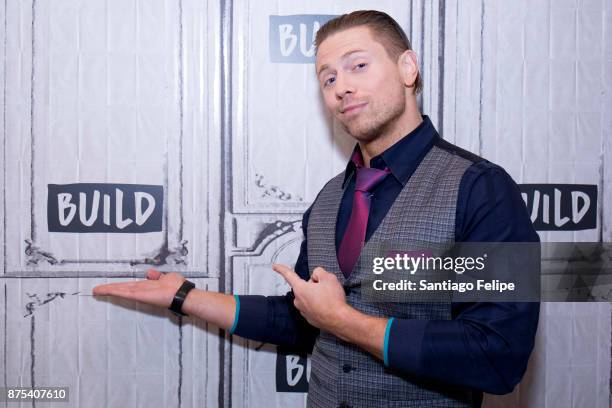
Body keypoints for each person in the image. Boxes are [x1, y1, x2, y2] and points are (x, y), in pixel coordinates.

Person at [93, 10, 540, 408]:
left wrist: (343, 320)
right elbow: (304, 320)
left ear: (408, 67)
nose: (341, 87)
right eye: (327, 79)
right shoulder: (329, 199)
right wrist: (185, 296)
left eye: (358, 66)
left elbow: (496, 354)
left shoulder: (482, 189)